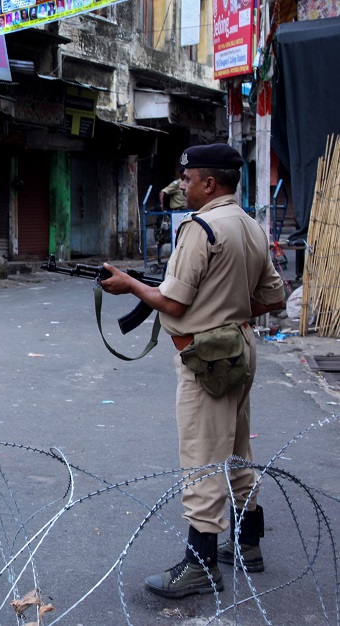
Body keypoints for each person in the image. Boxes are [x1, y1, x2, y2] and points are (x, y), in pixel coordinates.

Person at [100, 144, 285, 598]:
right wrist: (230, 310)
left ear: (209, 183)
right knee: (238, 447)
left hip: (206, 358)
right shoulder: (250, 227)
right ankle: (249, 544)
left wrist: (128, 285)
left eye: (186, 180)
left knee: (202, 457)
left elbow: (174, 301)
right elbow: (274, 298)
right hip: (240, 348)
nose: (181, 187)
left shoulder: (200, 228)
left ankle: (200, 564)